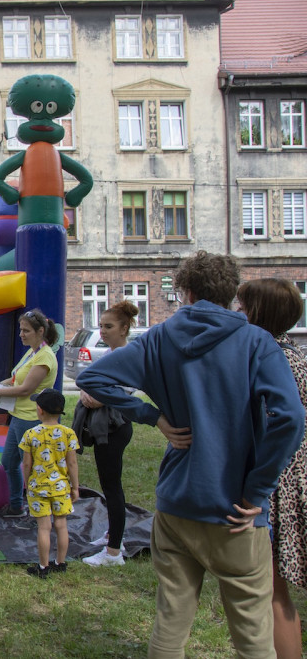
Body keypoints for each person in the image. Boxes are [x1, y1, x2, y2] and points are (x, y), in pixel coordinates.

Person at [77, 251, 305, 659]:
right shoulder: (256, 342)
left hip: (178, 502)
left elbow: (94, 377)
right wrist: (258, 490)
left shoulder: (160, 338)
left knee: (171, 623)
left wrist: (153, 416)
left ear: (186, 292)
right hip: (237, 509)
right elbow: (290, 417)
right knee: (253, 635)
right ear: (231, 293)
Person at [236, 278, 307, 659]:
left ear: (257, 313)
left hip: (276, 483)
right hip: (287, 478)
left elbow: (282, 423)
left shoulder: (272, 359)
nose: (237, 313)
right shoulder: (290, 353)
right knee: (273, 590)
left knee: (271, 589)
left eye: (243, 307)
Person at [74, 301, 140, 567]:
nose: (102, 331)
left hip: (115, 428)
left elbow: (120, 391)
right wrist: (86, 392)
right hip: (106, 427)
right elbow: (87, 382)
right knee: (108, 484)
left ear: (124, 329)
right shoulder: (109, 355)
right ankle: (113, 535)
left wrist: (96, 396)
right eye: (101, 326)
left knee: (112, 488)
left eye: (108, 326)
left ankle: (113, 553)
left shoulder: (128, 356)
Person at [0, 308, 59, 518]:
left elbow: (26, 389)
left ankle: (41, 513)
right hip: (19, 416)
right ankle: (17, 506)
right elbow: (16, 378)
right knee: (9, 462)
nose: (21, 334)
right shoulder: (33, 352)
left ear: (40, 331)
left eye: (26, 331)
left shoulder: (45, 356)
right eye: (20, 330)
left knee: (34, 468)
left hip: (32, 419)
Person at [20, 388, 79, 578]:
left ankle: (43, 567)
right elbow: (72, 463)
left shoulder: (30, 434)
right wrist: (75, 486)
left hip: (38, 488)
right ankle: (60, 563)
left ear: (40, 410)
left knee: (44, 528)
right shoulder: (69, 434)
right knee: (61, 525)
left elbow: (26, 464)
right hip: (61, 487)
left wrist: (27, 483)